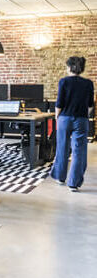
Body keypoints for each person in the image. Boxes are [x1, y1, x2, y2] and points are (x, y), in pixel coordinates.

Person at [50, 56, 94, 192]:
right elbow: (90, 105)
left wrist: (57, 117)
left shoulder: (64, 81)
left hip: (64, 119)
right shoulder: (88, 83)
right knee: (79, 151)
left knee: (62, 147)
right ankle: (73, 184)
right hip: (81, 119)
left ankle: (60, 177)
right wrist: (83, 115)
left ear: (70, 67)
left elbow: (59, 103)